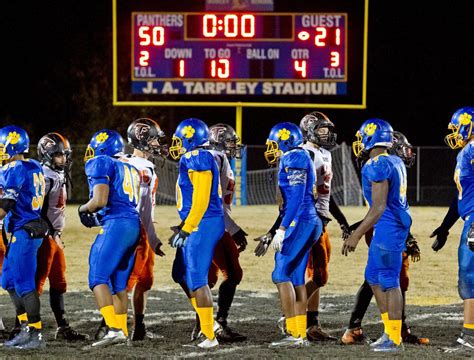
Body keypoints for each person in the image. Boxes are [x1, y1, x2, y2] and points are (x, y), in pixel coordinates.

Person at [341, 131, 427, 346]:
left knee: (389, 280)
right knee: (372, 276)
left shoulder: (377, 164)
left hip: (388, 225)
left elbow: (379, 206)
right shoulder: (394, 160)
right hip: (388, 224)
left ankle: (394, 336)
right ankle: (389, 331)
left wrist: (357, 234)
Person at [94, 118, 168, 341]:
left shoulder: (121, 161)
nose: (158, 144)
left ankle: (135, 327)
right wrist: (151, 237)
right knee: (124, 282)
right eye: (154, 139)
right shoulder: (143, 167)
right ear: (142, 140)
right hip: (136, 229)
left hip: (124, 227)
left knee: (141, 281)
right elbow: (144, 208)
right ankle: (112, 326)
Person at [78, 129, 141, 347]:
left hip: (117, 224)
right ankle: (122, 331)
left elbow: (100, 200)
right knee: (118, 284)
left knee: (97, 277)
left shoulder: (101, 161)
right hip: (133, 224)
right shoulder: (130, 167)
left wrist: (83, 208)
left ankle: (113, 329)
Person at [263, 122, 322, 348]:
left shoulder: (294, 157)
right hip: (306, 220)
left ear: (285, 140)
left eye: (275, 143)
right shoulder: (299, 156)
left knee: (280, 275)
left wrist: (282, 228)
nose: (272, 148)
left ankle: (292, 332)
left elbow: (296, 198)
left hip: (301, 221)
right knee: (296, 277)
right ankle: (299, 333)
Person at [169, 118, 225, 349]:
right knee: (187, 275)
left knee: (198, 279)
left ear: (190, 138)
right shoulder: (200, 156)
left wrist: (188, 227)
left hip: (203, 222)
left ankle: (209, 334)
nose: (177, 144)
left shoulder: (197, 157)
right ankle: (208, 327)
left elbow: (201, 198)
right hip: (204, 221)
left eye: (180, 139)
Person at [299, 111, 351, 341]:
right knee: (320, 276)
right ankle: (290, 313)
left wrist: (342, 221)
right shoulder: (304, 154)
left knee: (316, 274)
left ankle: (311, 324)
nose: (327, 133)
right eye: (322, 129)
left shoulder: (324, 155)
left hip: (321, 220)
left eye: (327, 129)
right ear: (309, 130)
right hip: (310, 221)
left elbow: (326, 194)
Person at [0, 125, 49, 349]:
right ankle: (24, 326)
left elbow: (6, 204)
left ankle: (36, 333)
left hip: (25, 230)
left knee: (23, 282)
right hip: (28, 226)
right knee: (8, 280)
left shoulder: (13, 168)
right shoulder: (34, 165)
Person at [35, 132, 88, 341]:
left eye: (65, 155)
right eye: (59, 155)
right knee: (36, 283)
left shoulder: (56, 174)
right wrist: (49, 233)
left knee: (59, 282)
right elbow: (36, 210)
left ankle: (63, 327)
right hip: (44, 237)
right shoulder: (44, 176)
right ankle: (26, 326)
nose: (64, 159)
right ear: (47, 155)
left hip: (54, 236)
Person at [204, 123, 247, 342]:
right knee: (232, 273)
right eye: (229, 141)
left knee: (207, 277)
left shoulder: (219, 158)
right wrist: (233, 229)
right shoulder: (214, 158)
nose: (233, 146)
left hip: (215, 223)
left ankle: (206, 324)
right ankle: (216, 324)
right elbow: (211, 201)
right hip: (214, 224)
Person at [439, 106, 474, 353]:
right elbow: (460, 197)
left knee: (470, 279)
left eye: (457, 127)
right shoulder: (465, 152)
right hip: (469, 217)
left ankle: (469, 337)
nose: (455, 133)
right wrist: (445, 227)